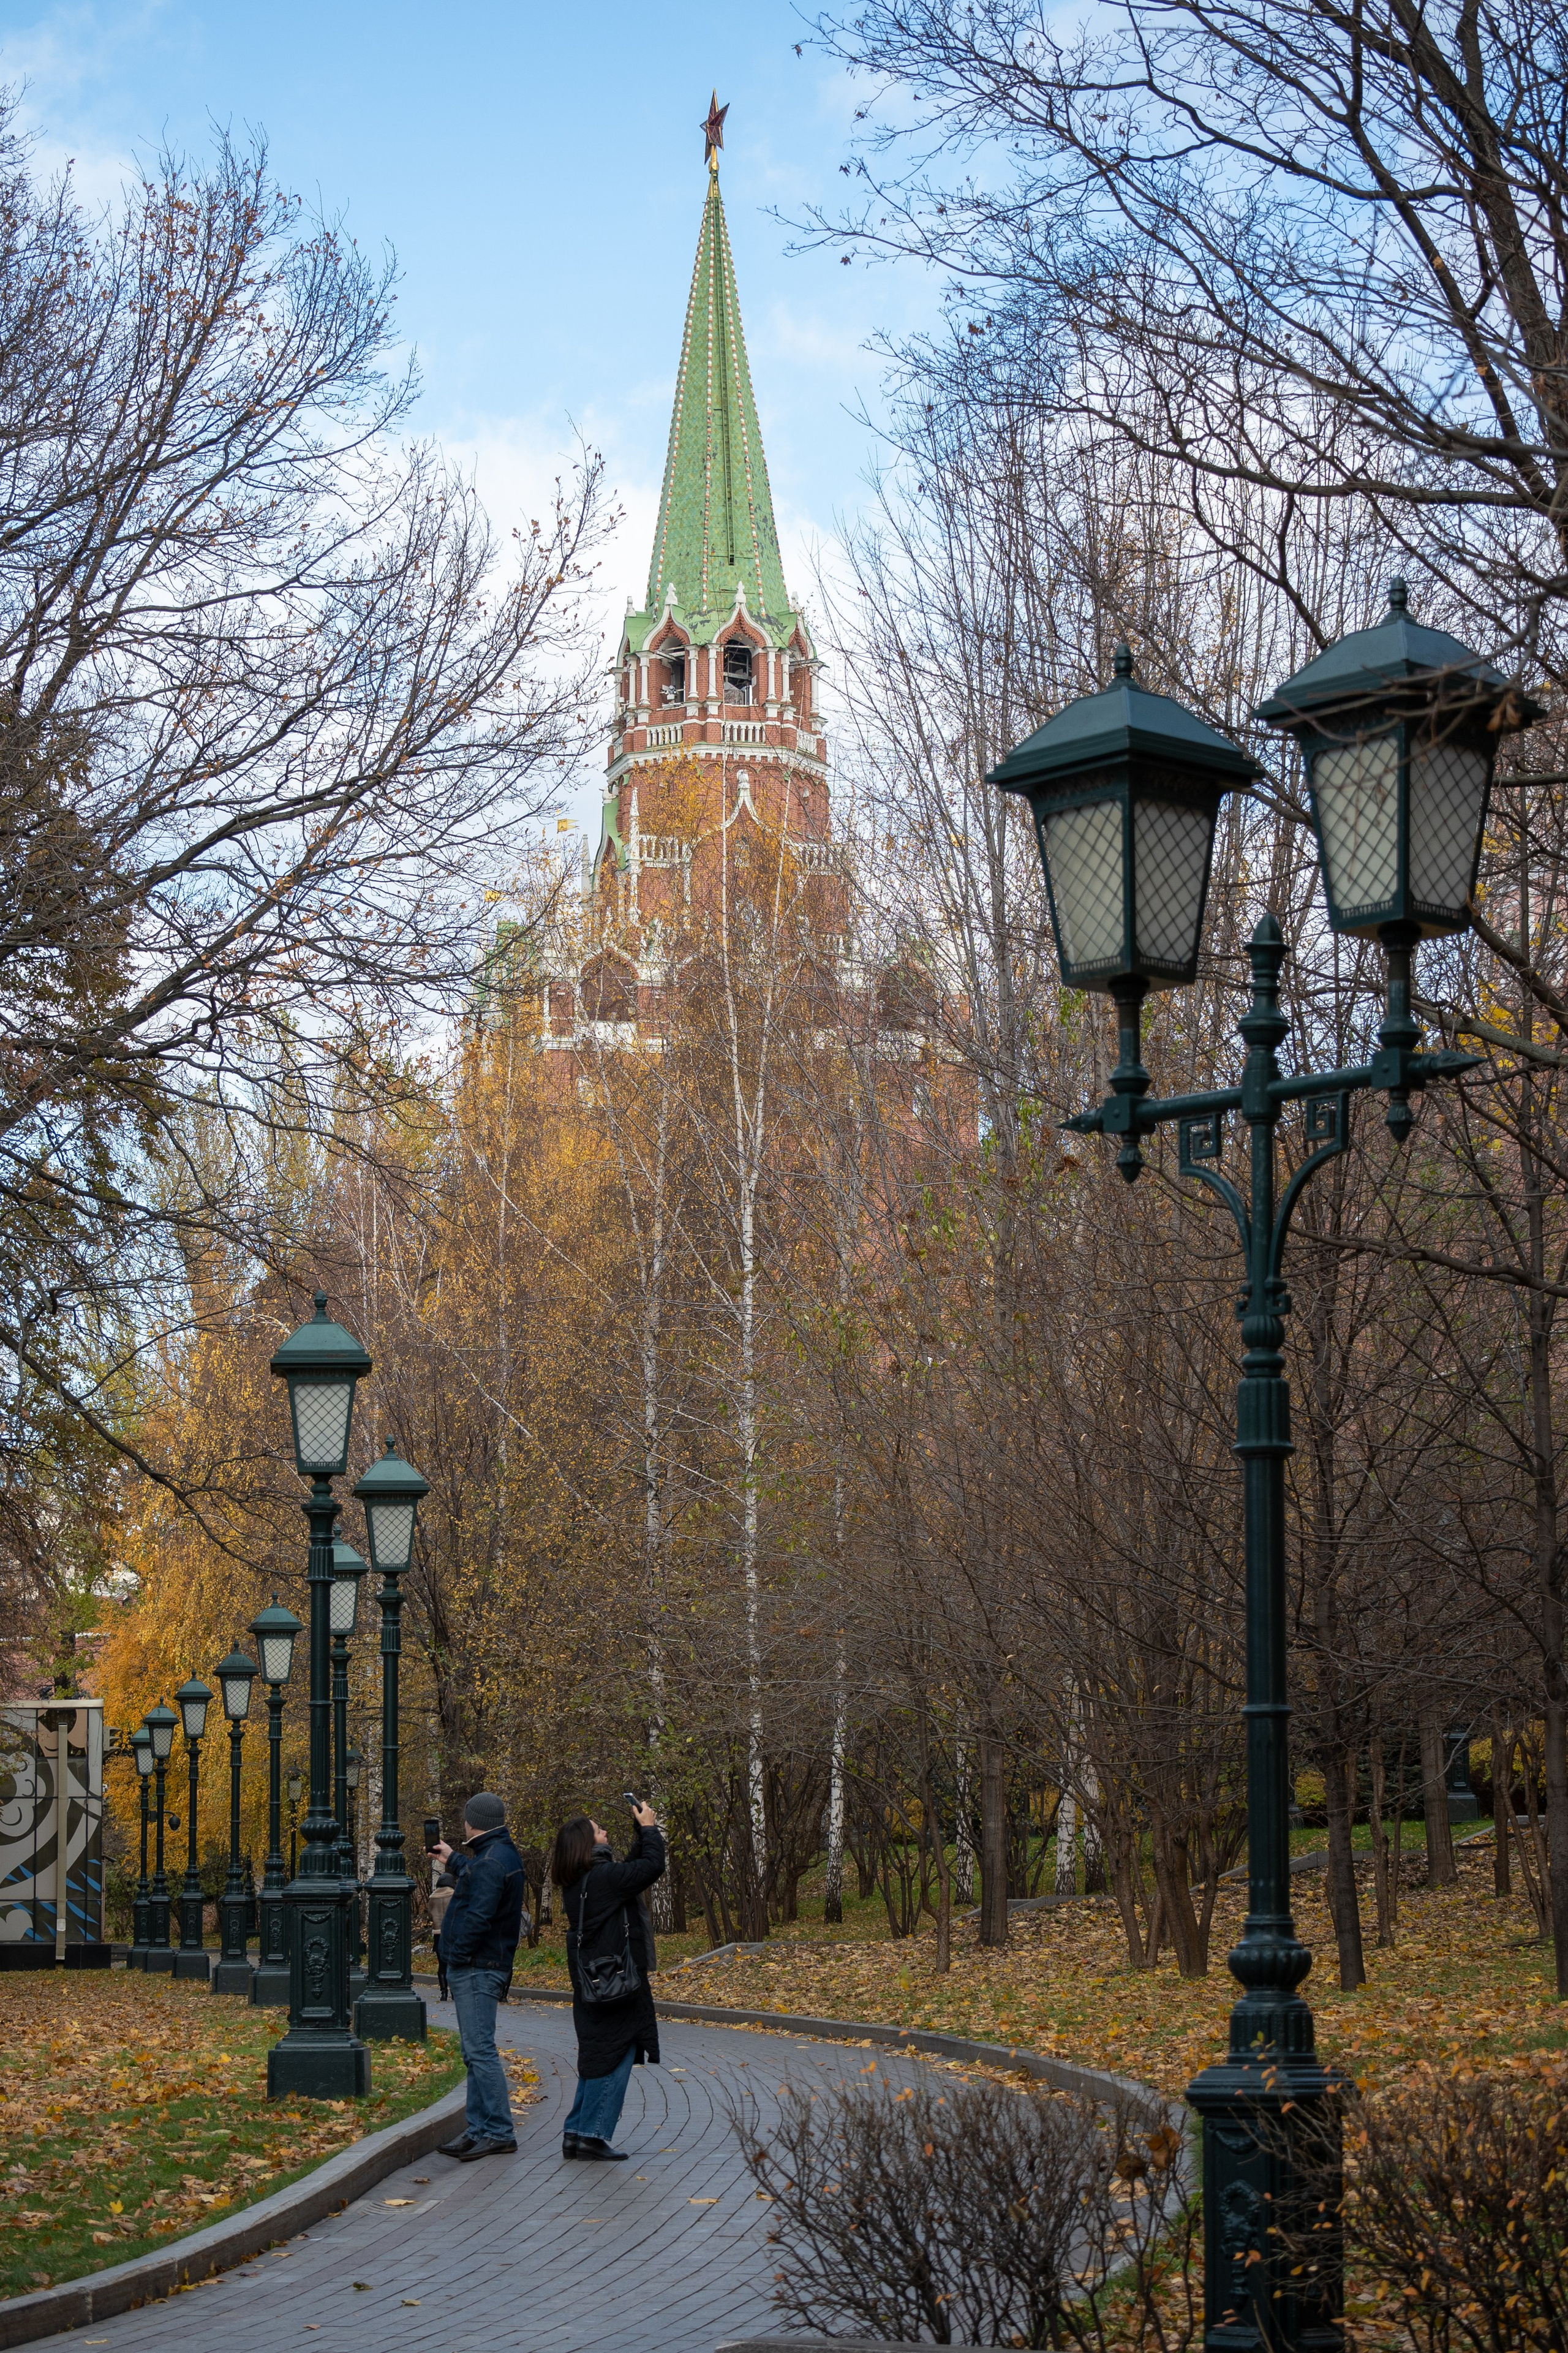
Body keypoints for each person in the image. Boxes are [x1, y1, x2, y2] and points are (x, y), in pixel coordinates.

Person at [554, 1800, 665, 2161]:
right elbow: (649, 1868)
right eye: (598, 1830)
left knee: (597, 2056)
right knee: (615, 2054)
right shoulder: (603, 1879)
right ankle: (592, 2134)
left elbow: (628, 1871)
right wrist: (649, 1831)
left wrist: (640, 1831)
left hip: (596, 1987)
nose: (604, 1833)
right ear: (587, 1844)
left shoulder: (583, 1880)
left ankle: (577, 2132)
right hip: (617, 1986)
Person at [432, 1792, 529, 2162]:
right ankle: (477, 2130)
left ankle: (500, 2131)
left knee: (480, 2051)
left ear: (473, 1822)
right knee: (474, 2052)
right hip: (482, 1964)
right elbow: (477, 1876)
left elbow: (479, 1916)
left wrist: (456, 1956)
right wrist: (452, 1859)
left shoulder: (491, 1860)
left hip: (477, 1967)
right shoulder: (497, 1854)